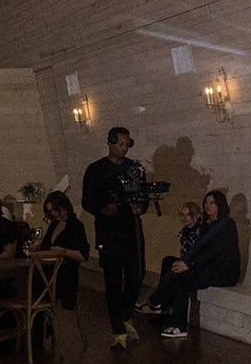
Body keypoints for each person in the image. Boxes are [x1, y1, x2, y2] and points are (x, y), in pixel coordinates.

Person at [81, 126, 147, 348]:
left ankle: (126, 314)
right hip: (109, 232)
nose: (124, 149)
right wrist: (102, 209)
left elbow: (144, 197)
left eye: (127, 145)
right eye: (120, 144)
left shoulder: (135, 168)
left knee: (136, 276)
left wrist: (141, 206)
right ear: (110, 143)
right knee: (113, 280)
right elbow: (87, 201)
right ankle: (117, 329)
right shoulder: (95, 170)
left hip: (131, 230)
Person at [155, 190, 241, 339]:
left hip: (224, 271)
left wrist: (189, 264)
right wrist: (184, 261)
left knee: (184, 277)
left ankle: (177, 324)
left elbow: (214, 252)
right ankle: (164, 311)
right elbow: (198, 249)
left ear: (220, 205)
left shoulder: (226, 224)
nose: (208, 206)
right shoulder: (208, 225)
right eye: (206, 202)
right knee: (169, 262)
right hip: (208, 267)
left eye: (212, 203)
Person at [136, 201, 202, 314]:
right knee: (168, 261)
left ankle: (154, 301)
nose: (185, 218)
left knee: (170, 276)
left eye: (188, 215)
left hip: (195, 265)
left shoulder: (199, 231)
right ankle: (160, 306)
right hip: (186, 262)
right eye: (183, 215)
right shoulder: (186, 230)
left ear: (195, 215)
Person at [37, 191, 90, 311]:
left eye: (55, 210)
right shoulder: (54, 224)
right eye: (50, 212)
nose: (54, 214)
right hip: (48, 271)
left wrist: (62, 251)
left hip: (65, 273)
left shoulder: (76, 226)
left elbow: (83, 255)